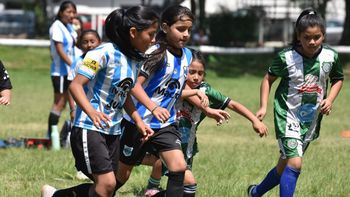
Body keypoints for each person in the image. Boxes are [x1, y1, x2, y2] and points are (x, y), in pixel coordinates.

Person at [41, 5, 159, 197]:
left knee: (107, 188)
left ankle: (54, 195)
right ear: (133, 32)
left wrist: (138, 121)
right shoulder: (102, 52)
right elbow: (75, 86)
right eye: (151, 34)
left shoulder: (135, 59)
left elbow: (125, 93)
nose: (153, 40)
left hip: (113, 130)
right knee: (107, 184)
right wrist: (92, 112)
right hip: (89, 128)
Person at [116, 5, 230, 197]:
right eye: (180, 29)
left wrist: (207, 110)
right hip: (138, 123)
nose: (186, 34)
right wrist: (152, 107)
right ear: (165, 27)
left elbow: (174, 89)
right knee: (116, 182)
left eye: (189, 30)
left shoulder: (187, 56)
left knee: (179, 168)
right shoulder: (156, 53)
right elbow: (133, 86)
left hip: (165, 125)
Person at [143, 49, 268, 197]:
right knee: (186, 182)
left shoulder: (205, 90)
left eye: (200, 73)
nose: (196, 77)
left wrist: (254, 120)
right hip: (164, 136)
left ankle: (152, 190)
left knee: (180, 181)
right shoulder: (175, 83)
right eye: (192, 72)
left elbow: (232, 104)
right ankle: (152, 186)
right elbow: (182, 93)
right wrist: (207, 108)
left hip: (187, 143)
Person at [248, 8, 344, 197]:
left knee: (284, 166)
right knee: (295, 163)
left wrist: (330, 99)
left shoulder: (331, 56)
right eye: (307, 37)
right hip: (287, 114)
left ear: (323, 35)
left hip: (310, 119)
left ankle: (256, 192)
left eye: (317, 37)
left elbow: (338, 78)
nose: (312, 42)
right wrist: (263, 106)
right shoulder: (286, 57)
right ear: (298, 36)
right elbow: (268, 79)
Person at [46, 1, 78, 138]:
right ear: (61, 12)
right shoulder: (57, 27)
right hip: (60, 72)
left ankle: (73, 137)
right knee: (59, 103)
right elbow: (60, 51)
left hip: (70, 71)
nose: (71, 15)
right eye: (68, 12)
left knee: (73, 104)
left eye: (73, 12)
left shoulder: (69, 27)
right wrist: (74, 65)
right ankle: (50, 136)